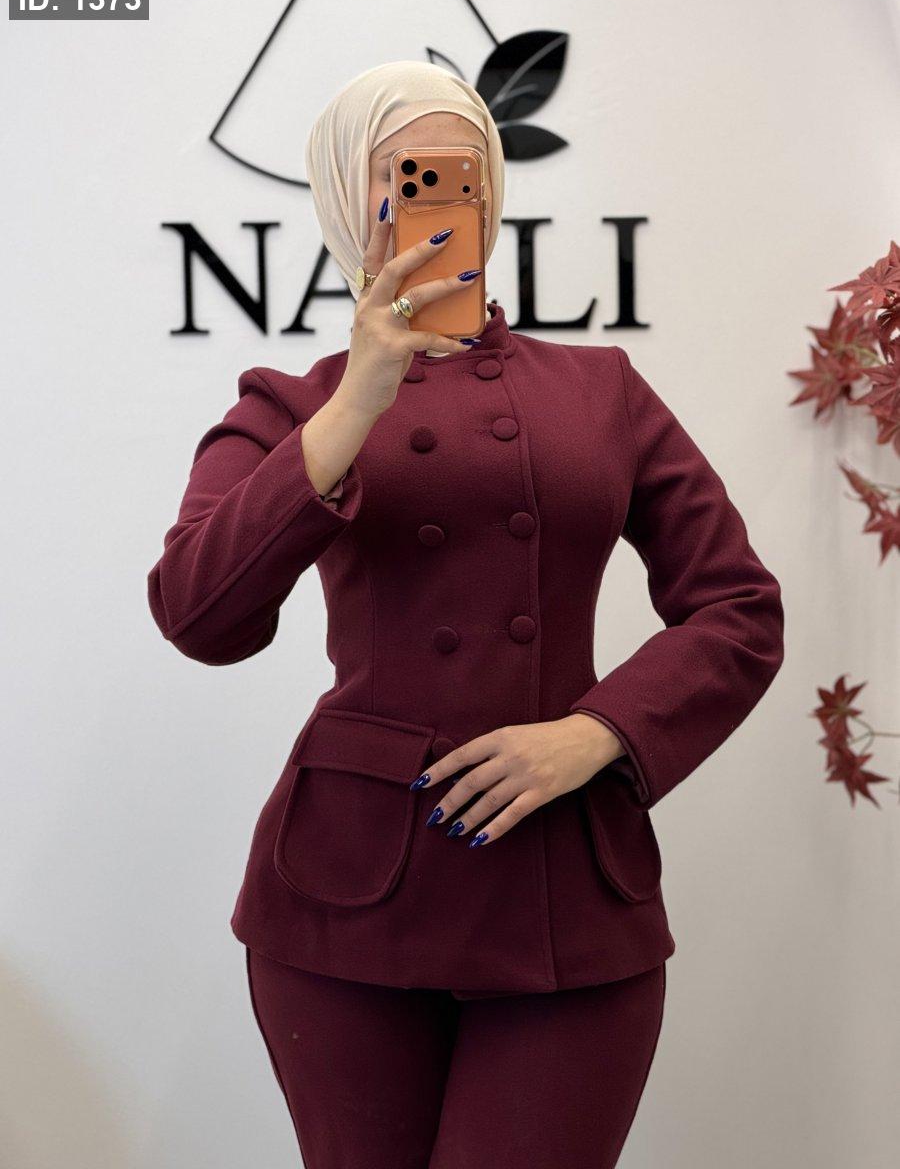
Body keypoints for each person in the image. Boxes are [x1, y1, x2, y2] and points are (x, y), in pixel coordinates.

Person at [147, 60, 785, 1168]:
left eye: (464, 171)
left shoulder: (603, 389)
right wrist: (360, 396)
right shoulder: (289, 405)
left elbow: (736, 606)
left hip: (566, 880)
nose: (446, 199)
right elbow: (198, 613)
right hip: (347, 892)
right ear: (349, 195)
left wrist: (597, 732)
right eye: (405, 174)